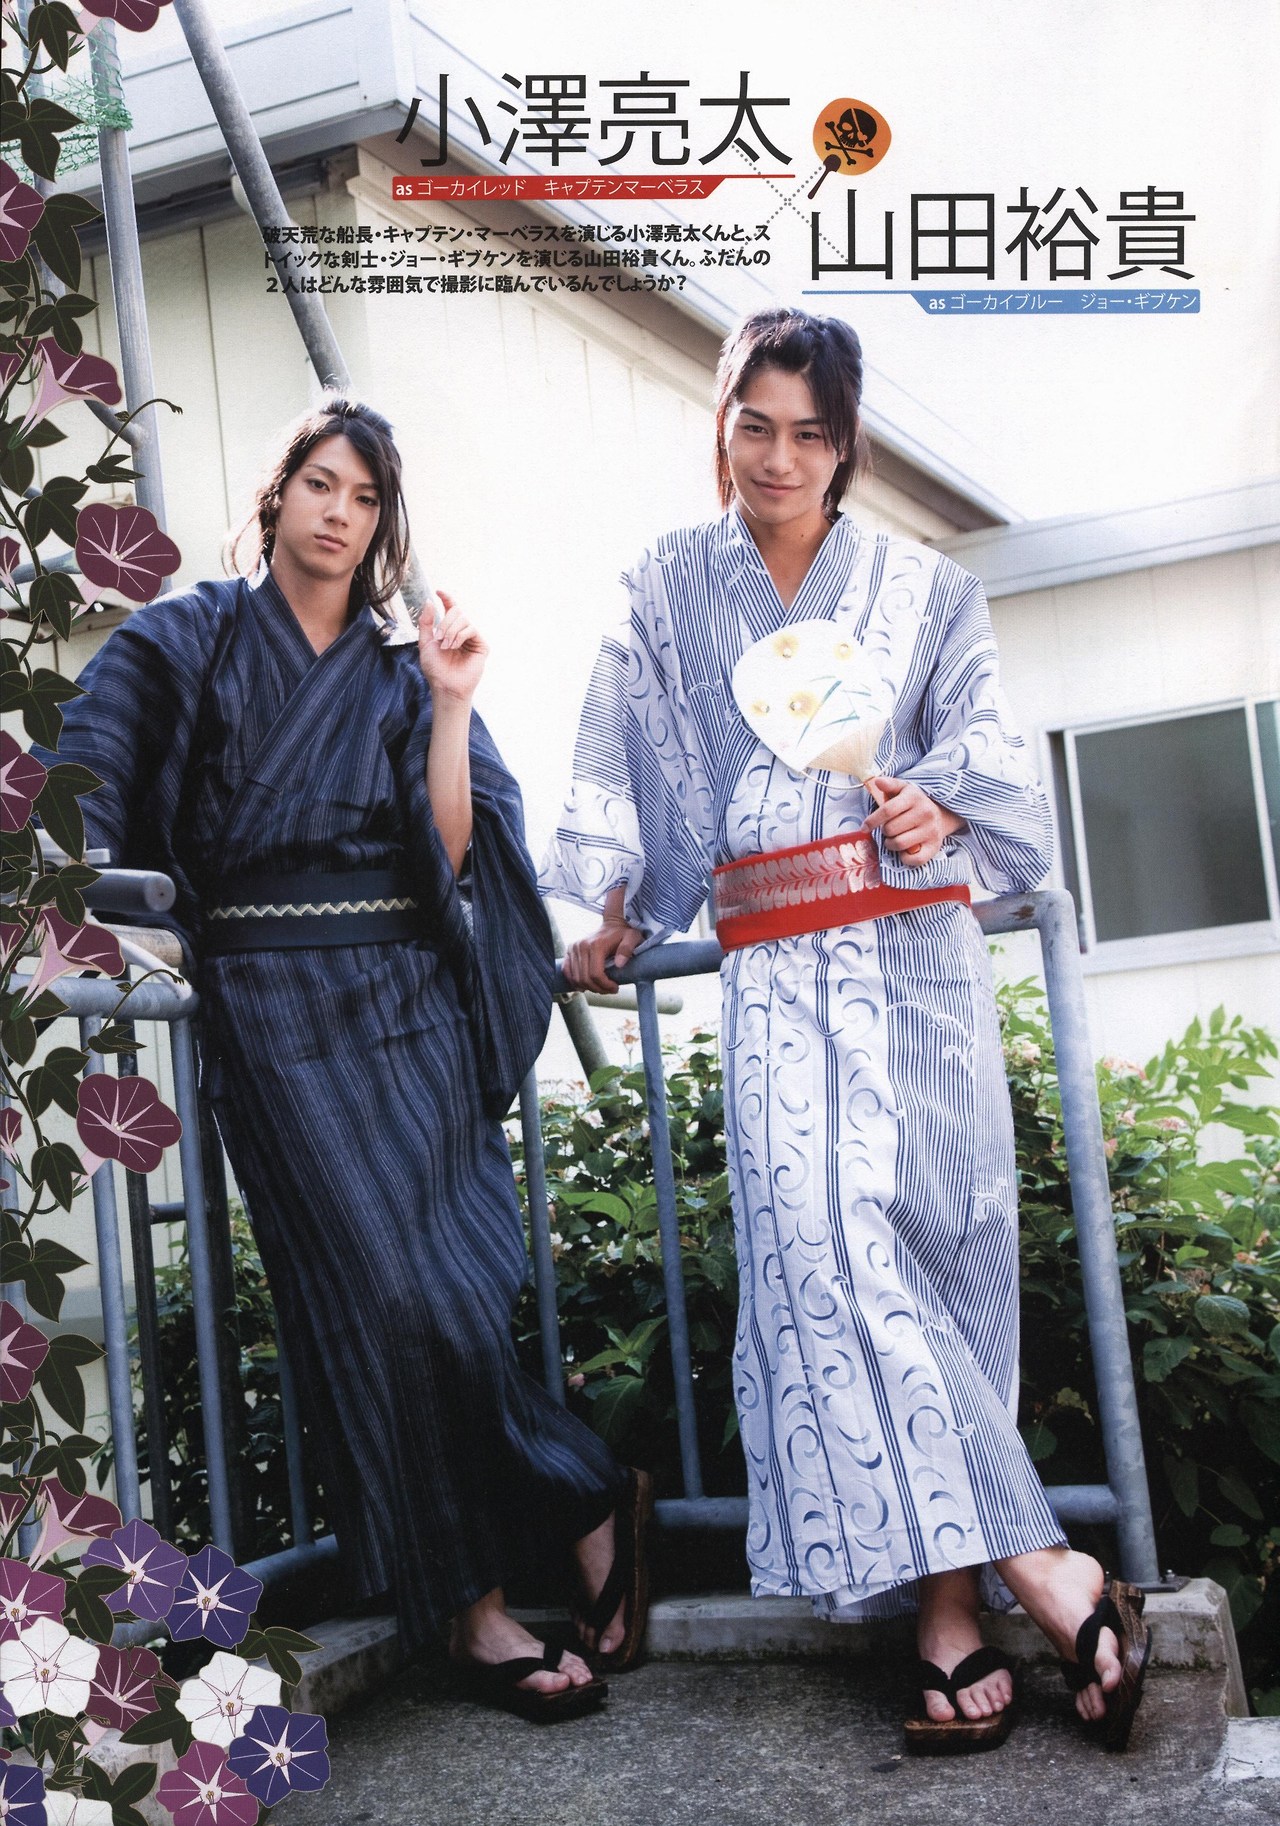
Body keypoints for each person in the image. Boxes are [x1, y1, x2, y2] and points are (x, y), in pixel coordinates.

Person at [542, 309, 1151, 1751]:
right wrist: (615, 899)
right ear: (722, 426)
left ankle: (950, 1619)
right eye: (754, 425)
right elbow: (622, 755)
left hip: (914, 962)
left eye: (809, 433)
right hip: (773, 973)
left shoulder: (930, 591)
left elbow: (992, 761)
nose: (778, 458)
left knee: (929, 1263)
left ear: (846, 446)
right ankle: (1048, 1569)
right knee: (828, 1263)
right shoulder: (666, 590)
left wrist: (938, 800)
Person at [52, 396, 651, 1721]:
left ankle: (562, 1520)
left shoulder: (395, 671)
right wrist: (90, 890)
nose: (341, 512)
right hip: (269, 1012)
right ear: (277, 496)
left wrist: (451, 703)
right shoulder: (192, 636)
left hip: (404, 1003)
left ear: (384, 523)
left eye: (367, 497)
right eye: (321, 483)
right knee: (374, 1304)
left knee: (453, 1295)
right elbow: (86, 770)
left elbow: (453, 851)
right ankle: (504, 1583)